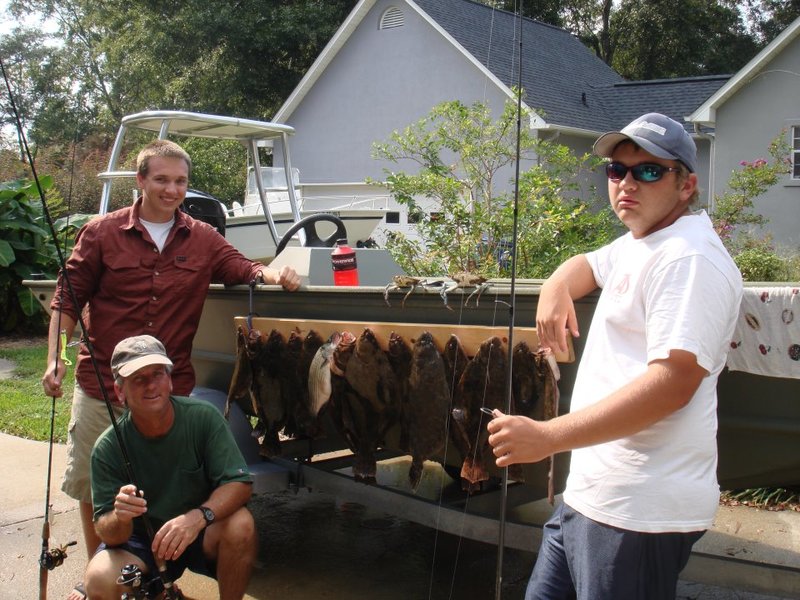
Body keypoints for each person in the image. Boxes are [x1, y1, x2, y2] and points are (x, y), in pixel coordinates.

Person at [487, 113, 743, 599]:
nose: (627, 182)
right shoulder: (643, 242)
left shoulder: (689, 259)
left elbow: (673, 384)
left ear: (686, 185)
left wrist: (546, 437)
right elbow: (586, 265)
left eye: (648, 171)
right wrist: (555, 285)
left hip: (636, 512)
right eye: (616, 170)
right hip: (589, 499)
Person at [39, 139, 298, 596]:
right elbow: (67, 299)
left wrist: (275, 274)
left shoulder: (202, 236)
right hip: (103, 382)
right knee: (95, 489)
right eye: (161, 179)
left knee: (165, 483)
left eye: (179, 181)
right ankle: (108, 575)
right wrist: (53, 361)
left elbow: (239, 266)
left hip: (167, 387)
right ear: (140, 181)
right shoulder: (101, 232)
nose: (171, 189)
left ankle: (159, 573)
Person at [85, 335, 256, 599]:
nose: (151, 385)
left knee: (241, 524)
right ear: (120, 391)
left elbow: (240, 484)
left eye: (157, 374)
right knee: (99, 578)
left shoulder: (204, 417)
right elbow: (109, 533)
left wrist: (198, 518)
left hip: (199, 531)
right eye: (138, 378)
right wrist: (120, 516)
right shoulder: (106, 447)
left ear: (170, 379)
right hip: (141, 543)